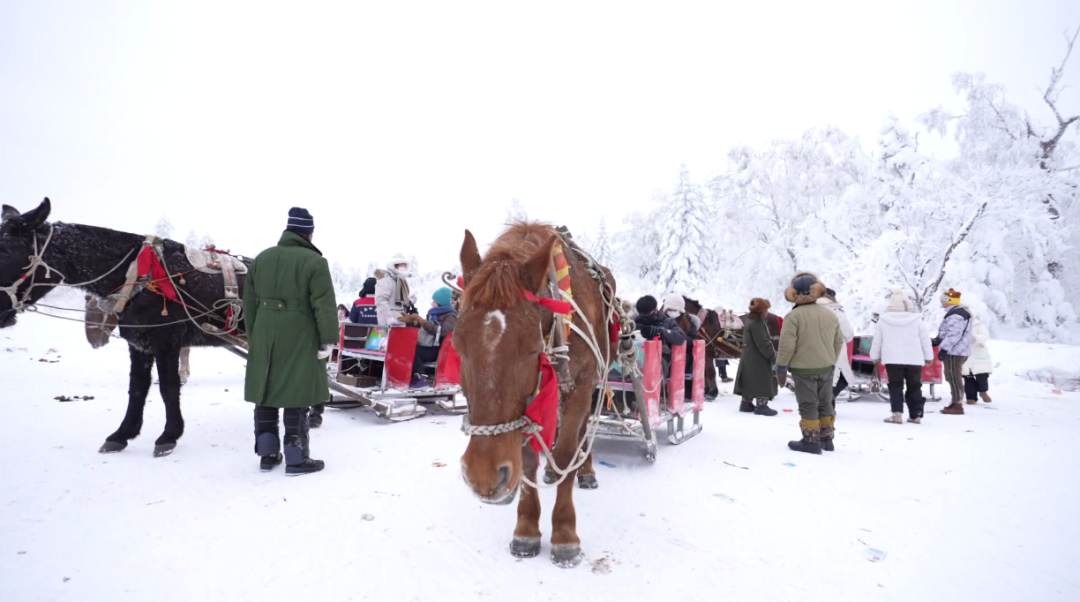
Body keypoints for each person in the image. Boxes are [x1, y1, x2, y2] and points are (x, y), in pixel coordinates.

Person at [243, 207, 337, 476]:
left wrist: (255, 335)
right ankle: (296, 459)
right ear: (309, 233)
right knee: (298, 393)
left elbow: (249, 303)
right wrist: (328, 340)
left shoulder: (261, 259)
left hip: (264, 333)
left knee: (265, 393)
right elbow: (324, 305)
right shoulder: (314, 262)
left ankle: (267, 454)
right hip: (300, 336)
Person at [775, 272, 844, 454]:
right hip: (826, 367)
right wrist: (831, 360)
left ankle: (811, 441)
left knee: (808, 404)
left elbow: (787, 345)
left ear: (794, 293)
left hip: (803, 369)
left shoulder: (793, 316)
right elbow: (838, 342)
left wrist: (781, 367)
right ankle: (827, 440)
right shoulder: (830, 315)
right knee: (825, 402)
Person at [869, 289, 934, 424]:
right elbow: (925, 341)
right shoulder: (917, 320)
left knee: (895, 386)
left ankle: (896, 415)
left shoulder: (883, 320)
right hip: (914, 360)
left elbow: (877, 341)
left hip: (892, 360)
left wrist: (874, 356)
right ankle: (915, 416)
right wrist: (929, 357)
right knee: (914, 386)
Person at [398, 287, 458, 388]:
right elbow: (427, 327)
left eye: (434, 301)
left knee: (413, 350)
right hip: (428, 344)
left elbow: (443, 331)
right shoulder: (434, 313)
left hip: (437, 348)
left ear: (440, 303)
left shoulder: (451, 316)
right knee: (406, 346)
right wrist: (414, 321)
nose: (432, 303)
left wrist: (422, 321)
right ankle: (408, 376)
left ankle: (421, 378)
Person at [931, 288, 973, 415]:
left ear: (949, 301)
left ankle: (957, 404)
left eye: (943, 300)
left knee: (954, 376)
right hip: (957, 350)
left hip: (955, 351)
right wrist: (938, 340)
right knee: (952, 376)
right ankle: (955, 402)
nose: (941, 302)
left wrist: (944, 348)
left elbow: (954, 334)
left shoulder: (956, 315)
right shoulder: (958, 312)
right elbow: (949, 332)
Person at [734, 298, 778, 416]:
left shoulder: (750, 320)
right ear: (761, 310)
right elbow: (763, 343)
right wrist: (773, 356)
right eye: (766, 309)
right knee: (763, 379)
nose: (767, 311)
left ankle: (746, 404)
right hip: (758, 358)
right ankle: (761, 406)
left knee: (749, 379)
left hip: (749, 356)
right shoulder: (758, 323)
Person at [818, 288, 855, 403]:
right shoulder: (837, 313)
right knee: (841, 378)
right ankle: (827, 402)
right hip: (835, 351)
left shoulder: (810, 311)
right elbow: (848, 334)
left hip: (814, 352)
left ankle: (824, 404)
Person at [376, 254, 413, 326]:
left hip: (400, 322)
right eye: (400, 265)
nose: (402, 268)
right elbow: (381, 300)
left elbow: (404, 302)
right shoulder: (385, 279)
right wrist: (388, 317)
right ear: (394, 265)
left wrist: (411, 300)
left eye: (404, 265)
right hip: (387, 324)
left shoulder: (401, 281)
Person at [962, 316, 993, 405]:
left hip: (979, 352)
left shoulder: (977, 324)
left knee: (982, 375)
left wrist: (976, 338)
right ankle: (971, 397)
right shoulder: (957, 324)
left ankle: (983, 392)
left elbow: (985, 335)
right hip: (964, 354)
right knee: (968, 377)